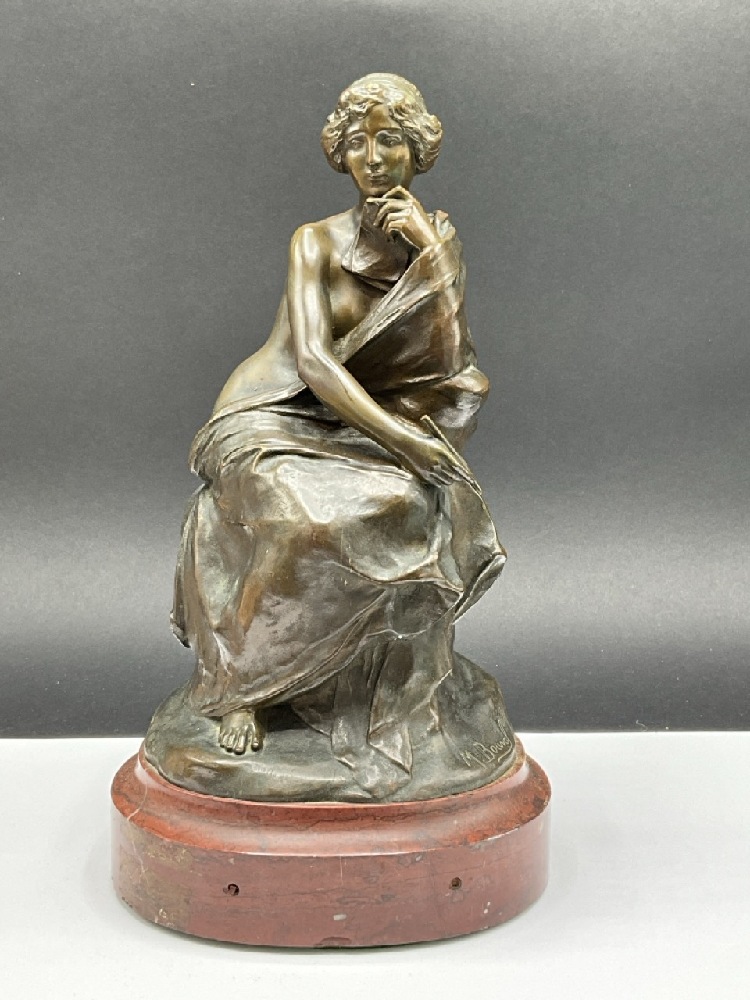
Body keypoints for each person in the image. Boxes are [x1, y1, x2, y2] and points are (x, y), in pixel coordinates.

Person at [160, 74, 510, 800]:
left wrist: (431, 259)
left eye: (391, 140)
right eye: (357, 143)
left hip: (365, 423)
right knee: (295, 518)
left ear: (419, 150)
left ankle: (367, 682)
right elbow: (316, 364)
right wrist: (405, 443)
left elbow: (452, 366)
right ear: (340, 155)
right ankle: (242, 686)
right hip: (272, 414)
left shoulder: (437, 244)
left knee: (406, 507)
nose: (373, 158)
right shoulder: (314, 242)